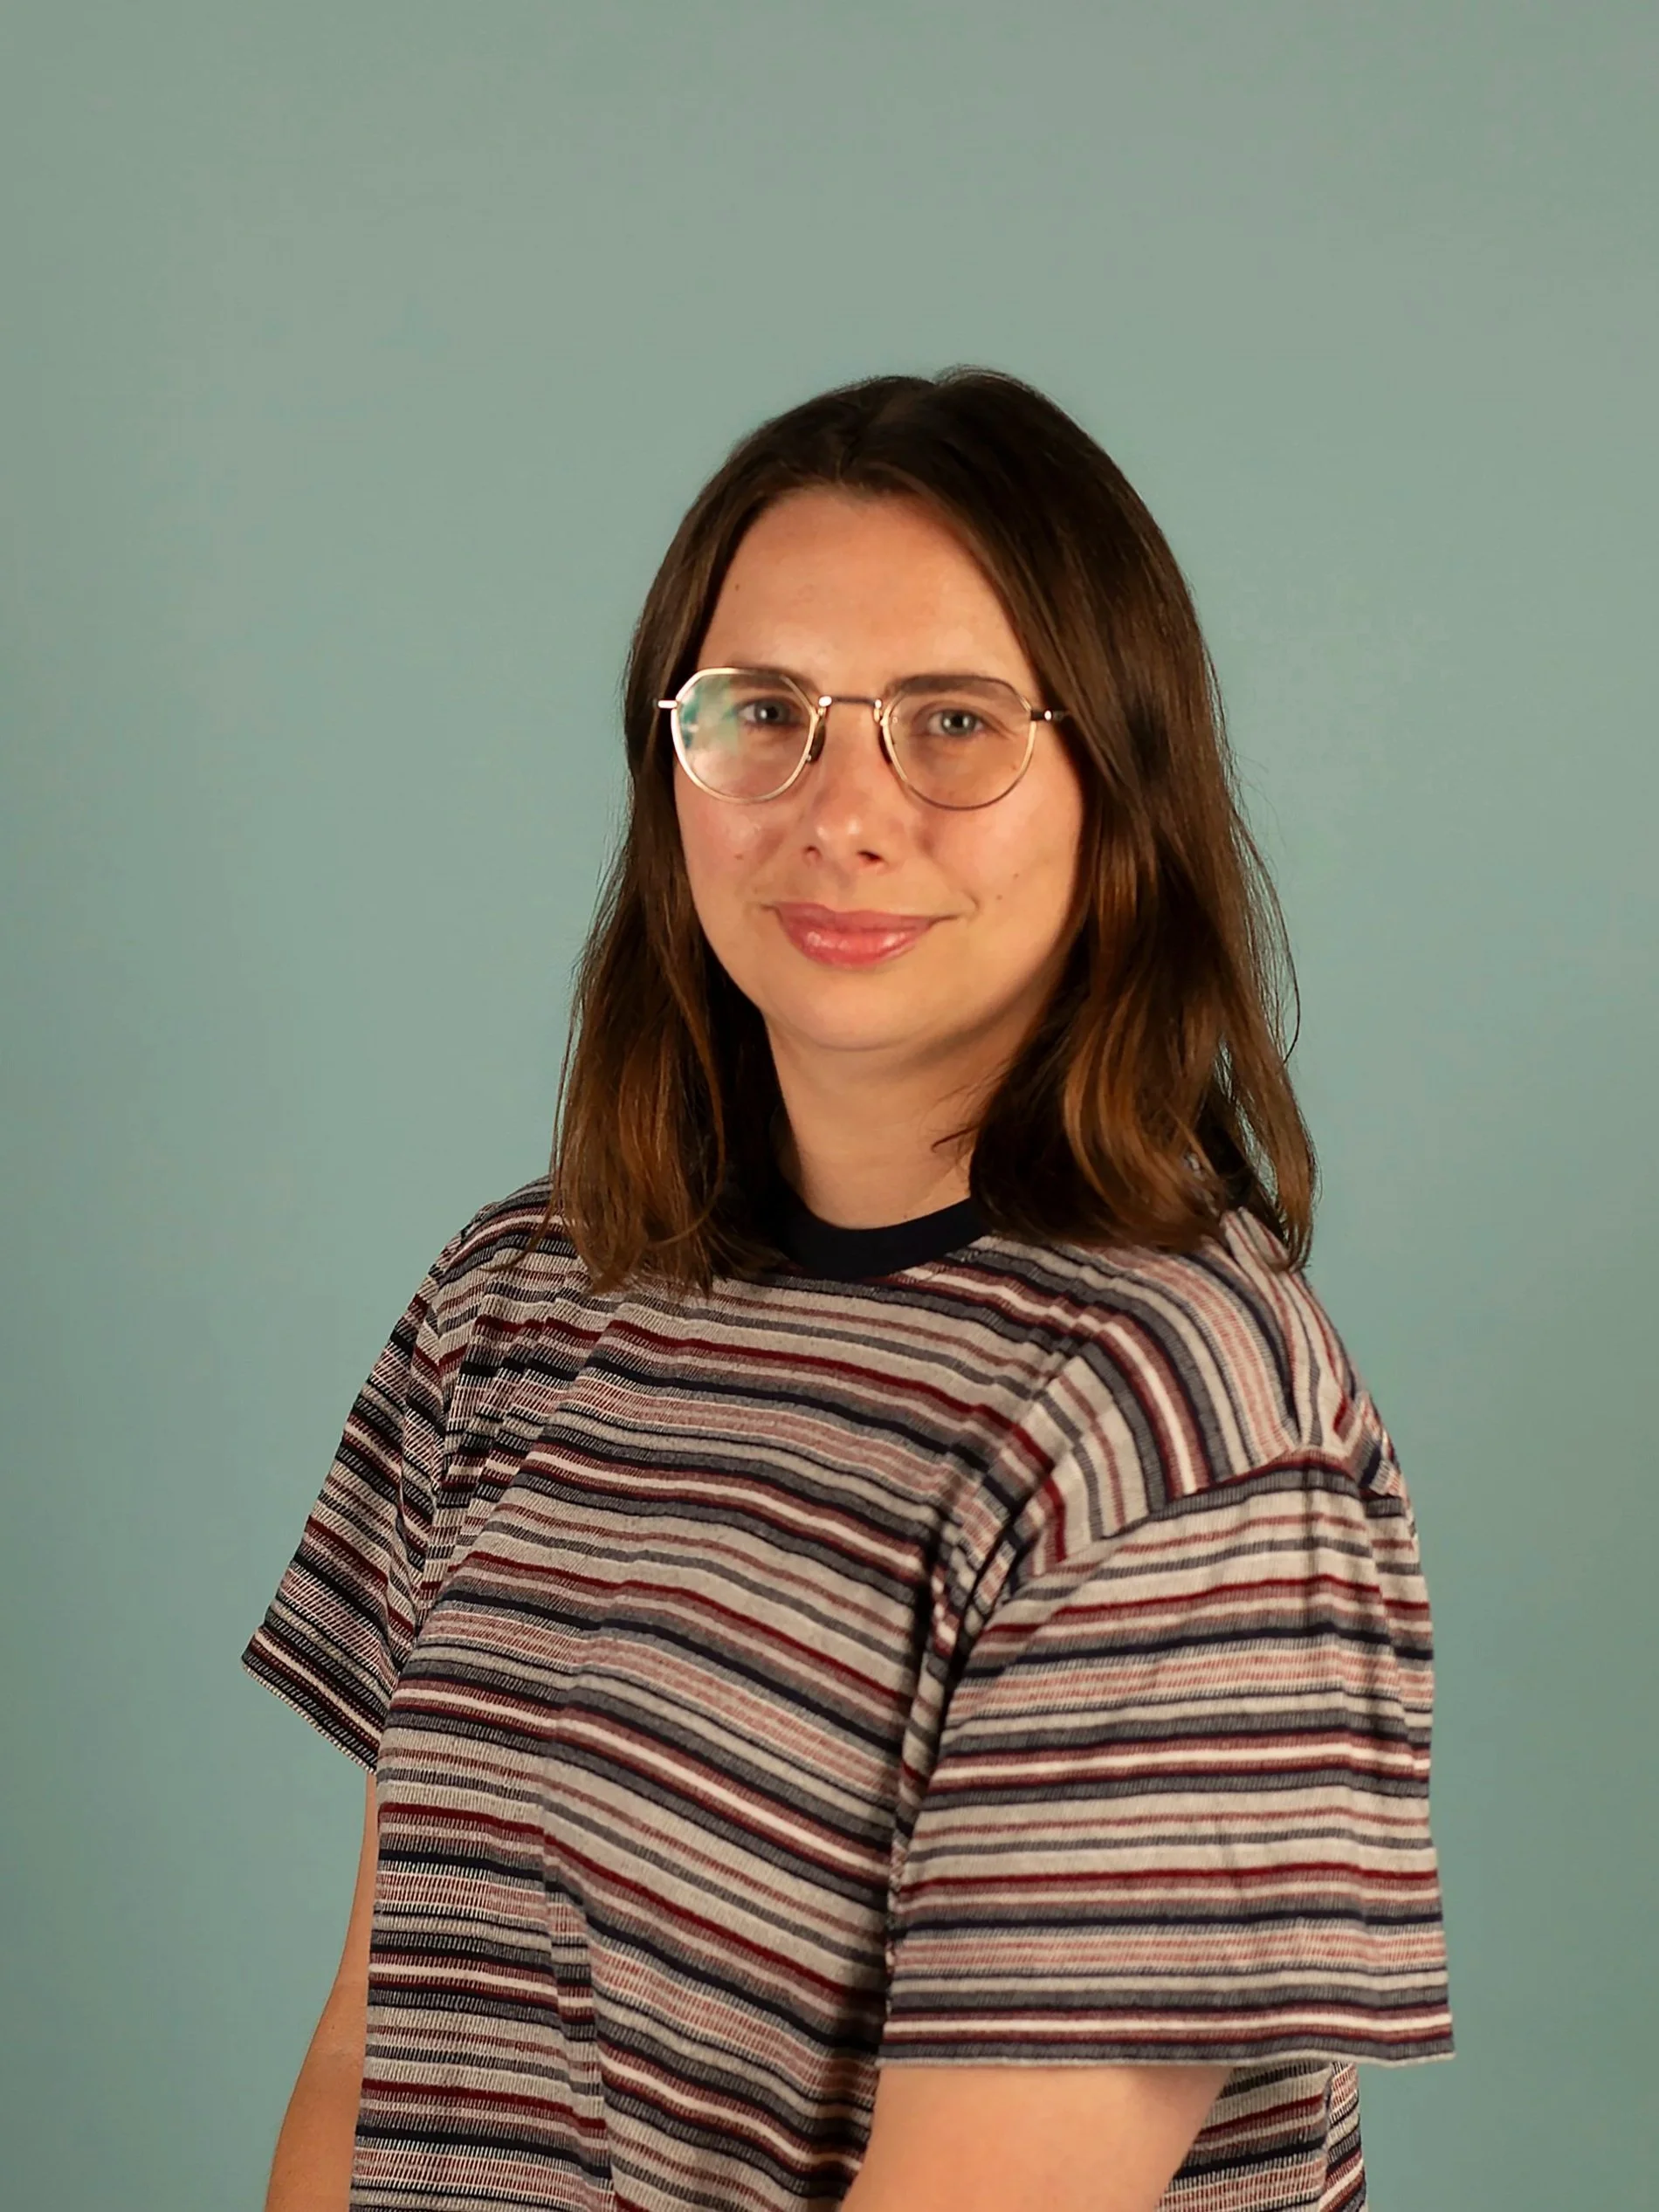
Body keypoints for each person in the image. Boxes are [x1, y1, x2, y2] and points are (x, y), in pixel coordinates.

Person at [244, 368, 1453, 2212]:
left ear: (1112, 786)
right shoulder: (514, 1298)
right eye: (764, 715)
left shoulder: (1175, 1435)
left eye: (951, 723)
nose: (840, 811)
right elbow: (372, 2054)